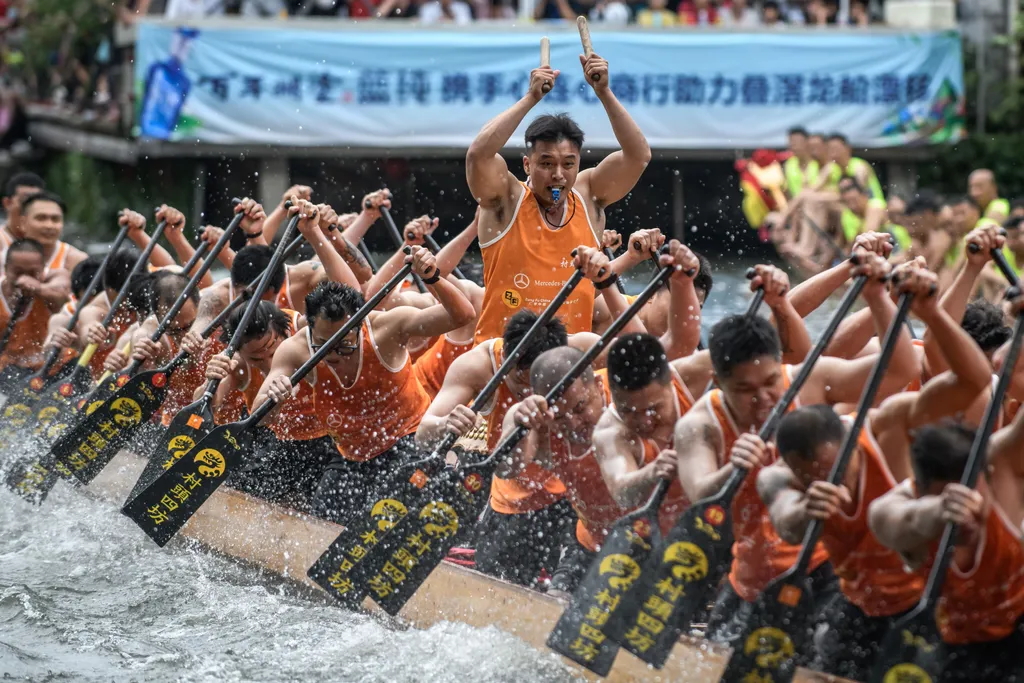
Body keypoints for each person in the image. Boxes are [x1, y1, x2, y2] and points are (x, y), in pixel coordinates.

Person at [672, 252, 920, 654]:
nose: (765, 397)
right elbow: (701, 492)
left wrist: (878, 296)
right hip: (751, 576)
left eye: (770, 380)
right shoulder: (700, 424)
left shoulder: (806, 379)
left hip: (826, 566)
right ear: (718, 380)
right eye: (746, 390)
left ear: (779, 365)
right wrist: (730, 469)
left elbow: (899, 370)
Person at [757, 266, 992, 681]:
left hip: (929, 599)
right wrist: (872, 292)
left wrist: (918, 301)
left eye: (835, 471)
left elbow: (968, 377)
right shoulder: (800, 458)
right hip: (858, 599)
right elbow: (787, 518)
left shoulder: (895, 425)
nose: (833, 482)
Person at [257, 231, 475, 524]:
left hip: (407, 442)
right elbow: (261, 416)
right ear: (309, 328)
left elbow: (462, 316)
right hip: (350, 455)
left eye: (345, 343)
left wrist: (433, 276)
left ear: (360, 325)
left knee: (390, 516)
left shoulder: (387, 328)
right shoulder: (294, 350)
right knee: (324, 519)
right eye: (324, 344)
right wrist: (274, 395)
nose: (334, 354)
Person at [591, 263, 809, 544]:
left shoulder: (693, 373)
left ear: (671, 381)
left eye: (655, 408)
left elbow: (788, 350)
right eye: (630, 411)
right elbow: (621, 490)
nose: (645, 421)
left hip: (712, 533)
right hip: (640, 539)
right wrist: (651, 473)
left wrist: (780, 302)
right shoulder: (610, 430)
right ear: (614, 398)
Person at [465, 45, 651, 343]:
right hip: (502, 361)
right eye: (546, 164)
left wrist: (603, 91)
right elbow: (478, 155)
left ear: (579, 163)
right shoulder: (506, 198)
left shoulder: (590, 195)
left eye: (568, 164)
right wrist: (531, 98)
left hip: (568, 366)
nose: (558, 175)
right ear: (527, 163)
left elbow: (638, 156)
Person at [868, 416, 1024, 682]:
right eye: (950, 500)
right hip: (954, 645)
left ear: (989, 477)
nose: (966, 519)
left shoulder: (1004, 472)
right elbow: (899, 520)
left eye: (973, 499)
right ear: (919, 491)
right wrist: (940, 512)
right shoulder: (892, 512)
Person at [497, 346, 622, 598]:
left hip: (650, 540)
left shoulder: (628, 394)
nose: (574, 424)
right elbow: (505, 468)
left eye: (580, 407)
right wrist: (518, 426)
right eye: (562, 417)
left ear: (598, 385)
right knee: (554, 606)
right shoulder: (537, 421)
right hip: (590, 543)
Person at [202, 301, 336, 513]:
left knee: (327, 509)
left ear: (285, 333)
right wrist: (210, 381)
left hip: (331, 438)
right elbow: (206, 408)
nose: (268, 364)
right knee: (230, 489)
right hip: (280, 441)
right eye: (256, 358)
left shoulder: (306, 332)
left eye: (273, 353)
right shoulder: (235, 363)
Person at [0, 239, 68, 376]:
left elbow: (63, 294)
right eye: (18, 272)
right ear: (6, 268)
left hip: (53, 370)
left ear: (43, 269)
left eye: (32, 273)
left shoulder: (53, 285)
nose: (24, 279)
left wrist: (38, 288)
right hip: (10, 372)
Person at [18, 191, 88, 275]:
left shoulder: (77, 261)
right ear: (23, 223)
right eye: (41, 218)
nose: (49, 225)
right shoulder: (4, 256)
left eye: (55, 219)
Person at [0, 171, 44, 248]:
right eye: (25, 201)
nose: (30, 208)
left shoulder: (50, 243)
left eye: (35, 202)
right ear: (7, 203)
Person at [783, 127, 819, 200]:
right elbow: (787, 191)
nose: (793, 146)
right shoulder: (789, 165)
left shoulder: (818, 163)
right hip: (797, 208)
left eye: (796, 142)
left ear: (807, 142)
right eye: (791, 142)